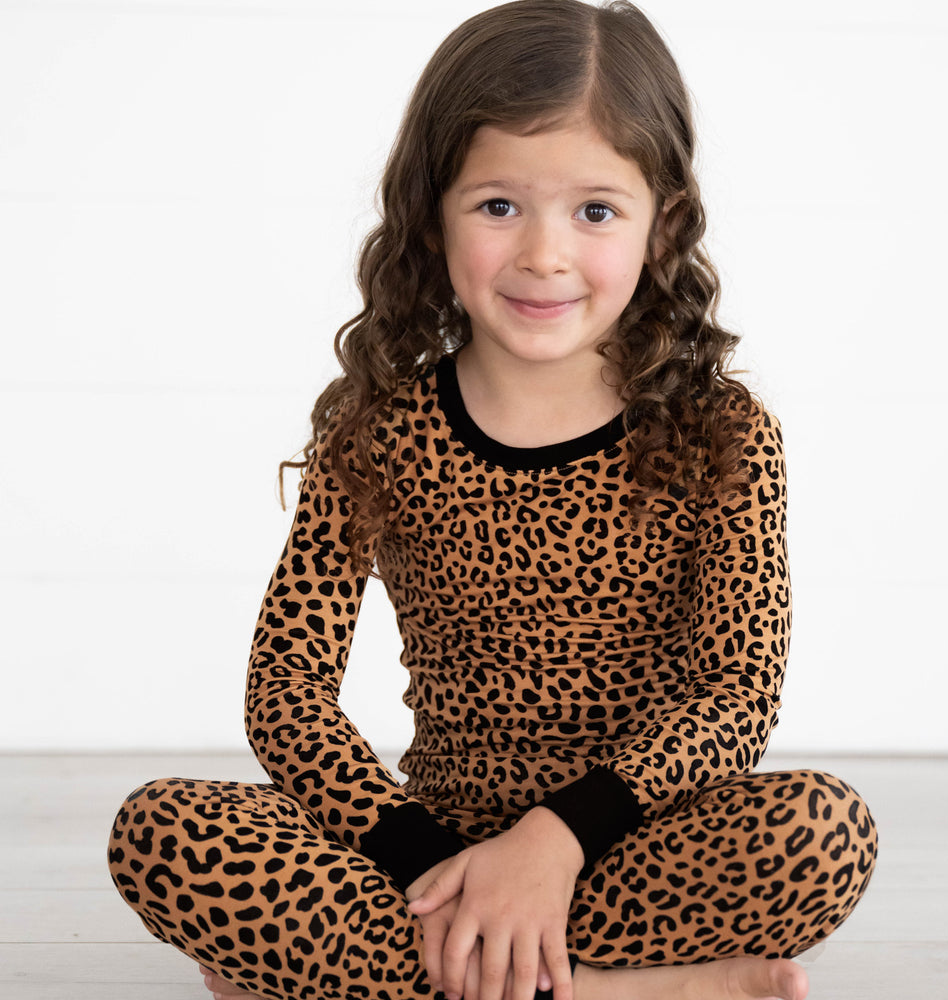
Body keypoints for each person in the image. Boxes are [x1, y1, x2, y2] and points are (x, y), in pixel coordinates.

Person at [107, 3, 878, 1000]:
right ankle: (642, 990)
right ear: (434, 211)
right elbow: (287, 694)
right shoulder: (376, 430)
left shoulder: (721, 434)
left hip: (624, 850)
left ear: (664, 222)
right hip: (425, 858)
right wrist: (427, 854)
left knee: (821, 829)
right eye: (498, 206)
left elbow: (734, 693)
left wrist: (555, 841)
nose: (544, 254)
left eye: (594, 211)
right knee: (164, 830)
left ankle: (374, 982)